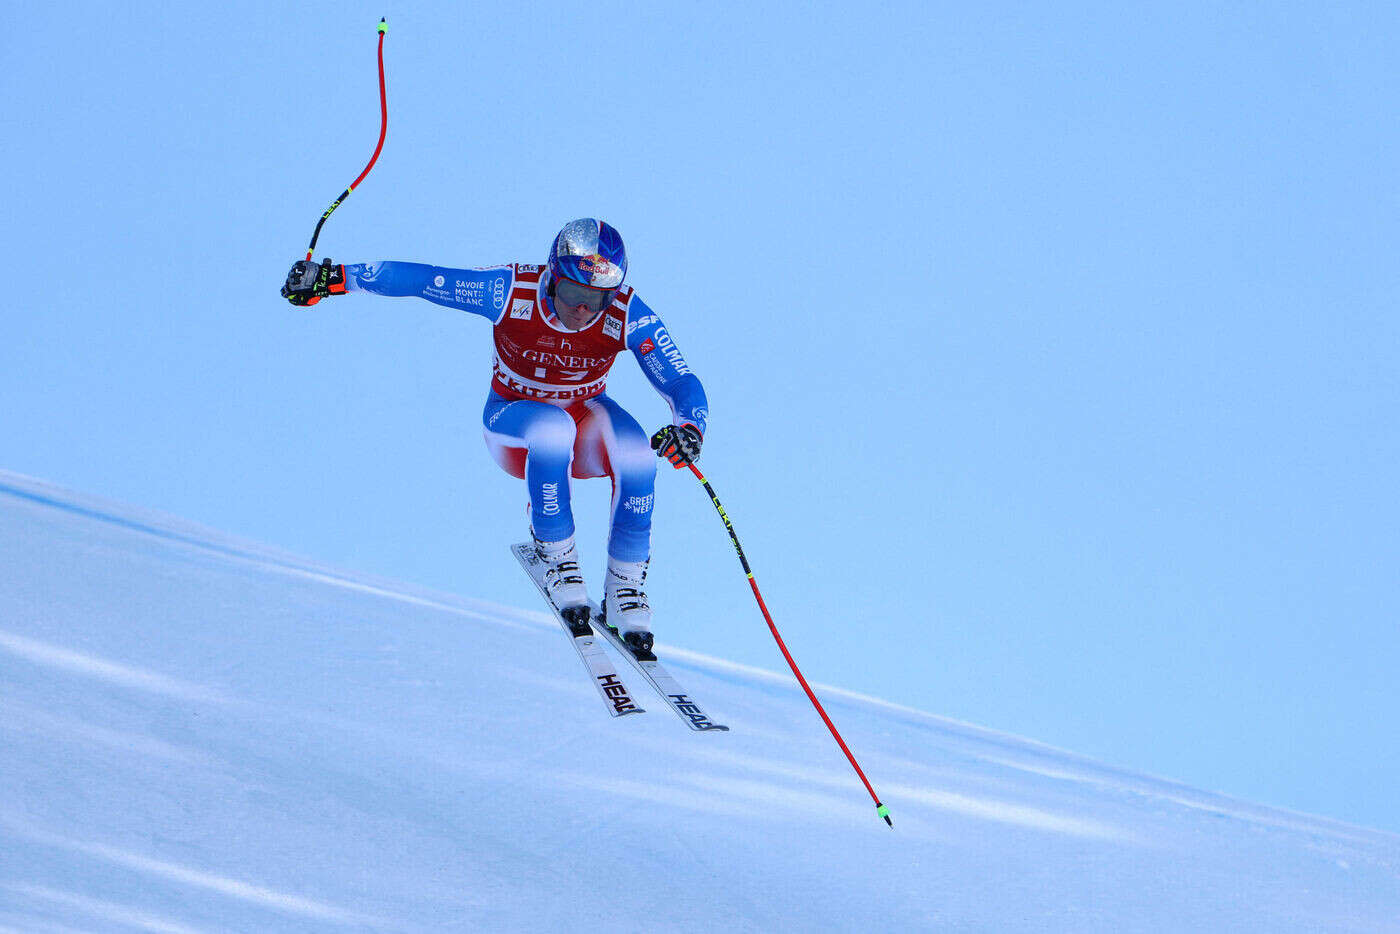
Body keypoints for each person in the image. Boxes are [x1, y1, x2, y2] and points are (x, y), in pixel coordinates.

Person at [280, 219, 707, 657]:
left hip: (584, 415)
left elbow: (679, 378)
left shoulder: (626, 315)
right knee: (552, 429)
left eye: (596, 299)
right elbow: (424, 280)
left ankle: (626, 588)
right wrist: (333, 280)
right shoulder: (510, 290)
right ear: (551, 277)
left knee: (639, 455)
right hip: (514, 423)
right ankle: (558, 557)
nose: (583, 310)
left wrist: (690, 428)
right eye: (574, 294)